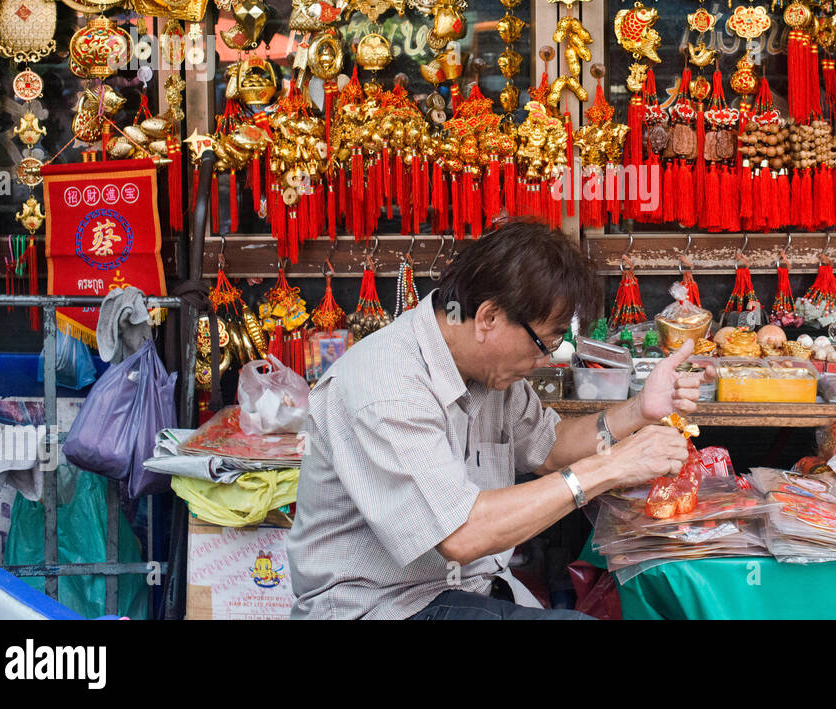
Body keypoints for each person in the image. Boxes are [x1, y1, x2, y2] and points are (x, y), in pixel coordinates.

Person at [288, 219, 707, 619]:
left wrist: (637, 410)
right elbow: (462, 535)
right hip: (383, 607)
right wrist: (611, 466)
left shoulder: (490, 375)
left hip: (468, 590)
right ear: (489, 318)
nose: (544, 360)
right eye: (544, 342)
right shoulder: (387, 385)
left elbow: (548, 447)